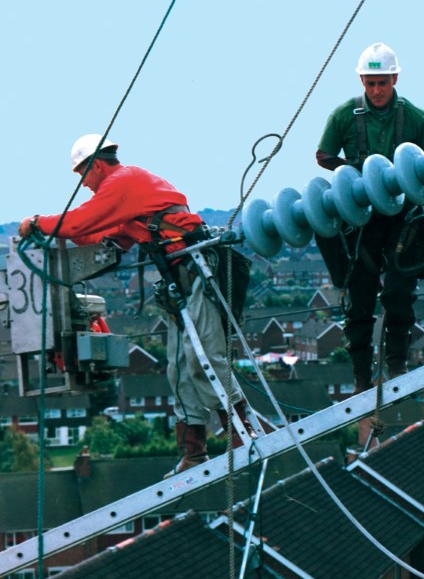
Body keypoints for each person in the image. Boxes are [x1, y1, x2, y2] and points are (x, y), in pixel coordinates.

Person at [18, 134, 252, 475]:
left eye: (83, 176)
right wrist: (55, 234)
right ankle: (194, 451)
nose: (85, 185)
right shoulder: (128, 197)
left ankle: (243, 436)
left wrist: (38, 223)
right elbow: (95, 235)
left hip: (196, 270)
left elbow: (81, 221)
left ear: (96, 165)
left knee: (203, 358)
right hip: (179, 281)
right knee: (178, 367)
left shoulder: (124, 181)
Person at [314, 42, 424, 393]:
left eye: (382, 82)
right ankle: (361, 377)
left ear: (394, 78)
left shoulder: (413, 117)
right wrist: (352, 173)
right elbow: (324, 155)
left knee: (399, 291)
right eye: (370, 83)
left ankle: (396, 365)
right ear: (362, 81)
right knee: (360, 296)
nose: (376, 90)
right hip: (362, 219)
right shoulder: (344, 115)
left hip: (402, 218)